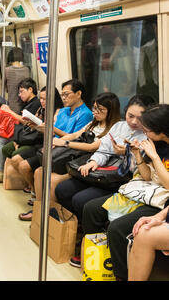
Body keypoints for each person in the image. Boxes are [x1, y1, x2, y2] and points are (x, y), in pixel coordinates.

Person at [65, 94, 156, 269]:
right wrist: (94, 162)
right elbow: (104, 147)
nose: (134, 121)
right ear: (125, 112)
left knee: (82, 201)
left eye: (140, 117)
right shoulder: (119, 126)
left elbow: (142, 172)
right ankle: (84, 238)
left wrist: (127, 153)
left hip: (124, 180)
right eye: (130, 116)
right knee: (63, 189)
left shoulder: (148, 135)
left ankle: (96, 245)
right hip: (106, 172)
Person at [33, 92, 121, 215]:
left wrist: (65, 144)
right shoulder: (93, 123)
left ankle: (52, 218)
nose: (95, 112)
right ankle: (39, 212)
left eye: (100, 109)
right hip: (76, 157)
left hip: (87, 162)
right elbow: (75, 135)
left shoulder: (114, 129)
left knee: (52, 180)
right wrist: (56, 142)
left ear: (111, 111)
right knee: (39, 172)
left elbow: (92, 147)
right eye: (94, 108)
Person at [16, 79, 93, 214]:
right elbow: (53, 132)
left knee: (41, 172)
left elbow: (75, 137)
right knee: (38, 171)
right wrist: (38, 127)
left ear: (78, 93)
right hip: (54, 149)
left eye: (66, 94)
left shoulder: (86, 114)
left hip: (69, 152)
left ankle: (45, 212)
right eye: (62, 94)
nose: (63, 98)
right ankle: (39, 209)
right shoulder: (63, 111)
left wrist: (51, 129)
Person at [0, 78, 41, 184]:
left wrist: (9, 111)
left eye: (21, 92)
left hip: (28, 136)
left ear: (30, 89)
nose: (20, 95)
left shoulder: (35, 104)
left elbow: (27, 122)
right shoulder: (26, 103)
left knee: (0, 139)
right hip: (21, 133)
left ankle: (0, 171)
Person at [4, 47, 30, 114]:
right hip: (25, 104)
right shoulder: (26, 69)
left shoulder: (7, 70)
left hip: (13, 104)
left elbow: (6, 89)